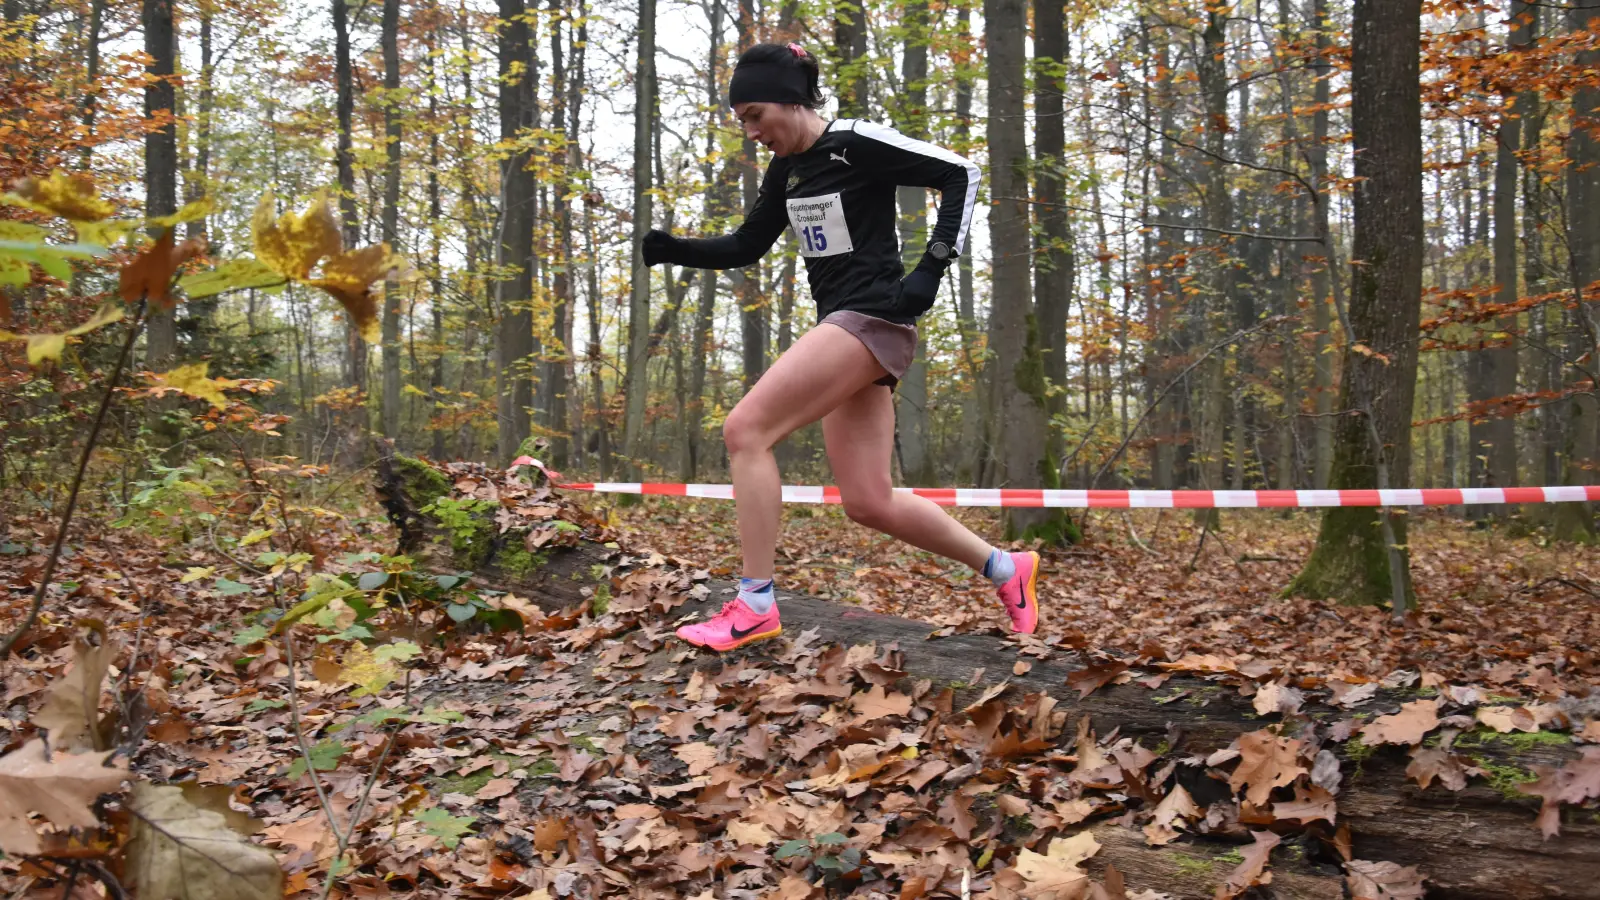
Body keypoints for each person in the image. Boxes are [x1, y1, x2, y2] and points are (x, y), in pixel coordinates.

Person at [641, 41, 1041, 653]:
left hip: (872, 318)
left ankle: (755, 604)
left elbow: (960, 172)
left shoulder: (855, 141)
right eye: (742, 121)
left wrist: (932, 267)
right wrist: (676, 248)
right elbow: (747, 245)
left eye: (754, 115)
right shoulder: (789, 171)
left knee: (745, 431)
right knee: (868, 500)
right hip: (847, 325)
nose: (751, 132)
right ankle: (1006, 569)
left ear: (790, 99)